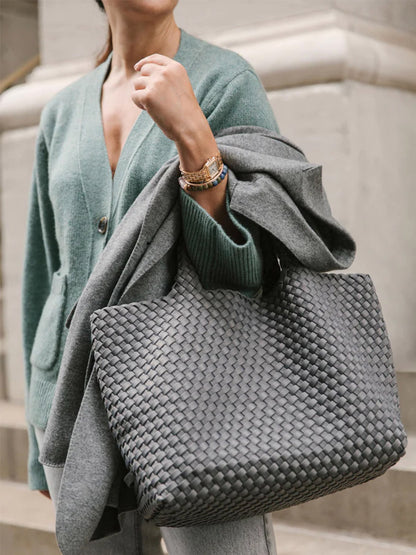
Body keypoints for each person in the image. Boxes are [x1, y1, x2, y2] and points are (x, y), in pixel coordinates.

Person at [22, 0, 282, 552]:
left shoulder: (226, 82)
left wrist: (193, 135)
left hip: (199, 397)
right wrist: (38, 433)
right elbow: (44, 274)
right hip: (72, 400)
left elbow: (253, 267)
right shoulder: (62, 111)